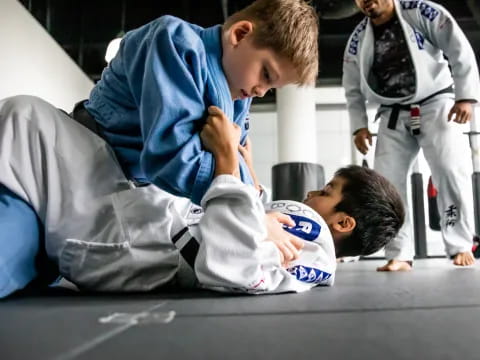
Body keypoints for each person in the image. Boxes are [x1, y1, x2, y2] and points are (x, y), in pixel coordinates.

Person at [0, 0, 319, 296]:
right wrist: (249, 215)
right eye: (266, 74)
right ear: (240, 34)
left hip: (119, 185)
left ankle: (43, 257)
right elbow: (171, 158)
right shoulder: (175, 42)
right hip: (80, 154)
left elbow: (234, 159)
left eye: (272, 87)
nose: (262, 91)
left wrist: (254, 209)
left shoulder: (239, 96)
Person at [0, 96, 404, 297]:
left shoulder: (309, 229)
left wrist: (228, 163)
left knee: (24, 115)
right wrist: (247, 178)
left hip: (131, 242)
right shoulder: (311, 256)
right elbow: (254, 231)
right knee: (28, 121)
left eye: (327, 192)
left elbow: (233, 260)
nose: (313, 192)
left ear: (343, 222)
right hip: (139, 237)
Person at [342, 0, 480, 271]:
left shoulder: (420, 11)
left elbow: (457, 47)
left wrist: (465, 97)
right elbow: (352, 86)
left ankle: (461, 245)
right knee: (386, 185)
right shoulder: (358, 38)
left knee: (450, 171)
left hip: (436, 103)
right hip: (391, 113)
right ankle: (399, 254)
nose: (367, 1)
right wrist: (359, 125)